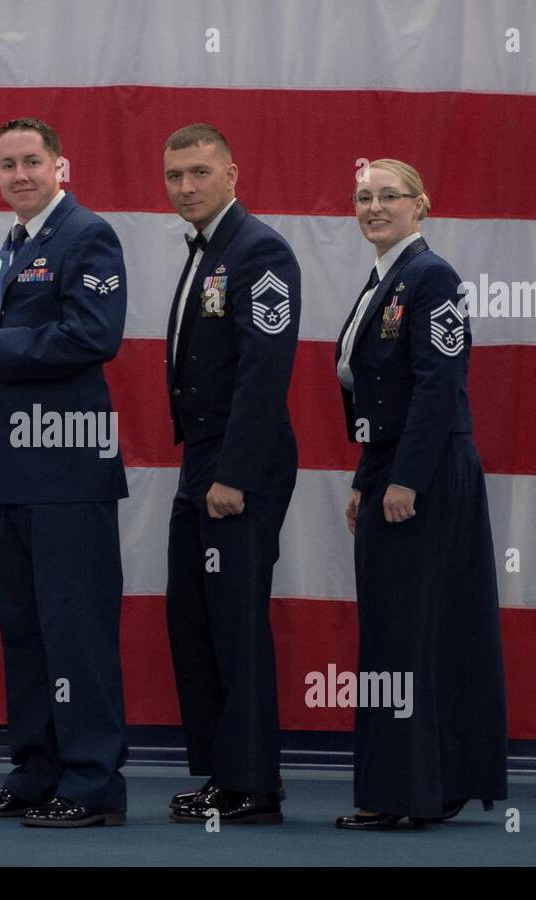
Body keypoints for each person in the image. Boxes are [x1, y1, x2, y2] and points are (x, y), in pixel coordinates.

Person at [0, 118, 129, 827]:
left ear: (62, 166)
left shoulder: (88, 235)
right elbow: (17, 355)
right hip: (21, 469)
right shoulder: (16, 245)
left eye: (32, 161)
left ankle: (91, 785)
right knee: (27, 634)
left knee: (76, 633)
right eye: (7, 164)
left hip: (70, 467)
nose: (19, 174)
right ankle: (37, 770)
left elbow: (95, 335)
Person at [333, 158, 507, 829]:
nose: (373, 207)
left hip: (428, 475)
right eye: (362, 197)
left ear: (420, 204)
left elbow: (440, 385)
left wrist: (404, 478)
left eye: (387, 196)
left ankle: (410, 792)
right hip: (389, 467)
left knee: (410, 635)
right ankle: (411, 785)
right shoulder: (384, 279)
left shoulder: (432, 277)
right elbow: (379, 392)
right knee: (390, 632)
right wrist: (366, 476)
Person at [158, 124, 301, 825]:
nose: (185, 186)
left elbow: (264, 371)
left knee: (236, 625)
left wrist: (234, 474)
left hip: (238, 466)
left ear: (232, 173)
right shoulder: (207, 249)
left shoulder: (259, 250)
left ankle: (253, 784)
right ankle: (223, 772)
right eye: (175, 175)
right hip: (202, 463)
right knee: (196, 621)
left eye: (198, 172)